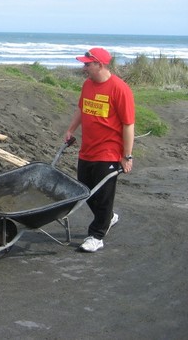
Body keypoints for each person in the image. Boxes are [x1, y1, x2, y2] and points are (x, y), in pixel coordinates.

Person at [64, 47, 135, 252]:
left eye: (87, 64)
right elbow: (82, 108)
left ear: (99, 65)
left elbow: (128, 124)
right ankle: (108, 217)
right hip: (88, 148)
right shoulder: (87, 85)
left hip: (109, 151)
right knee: (85, 190)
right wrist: (70, 129)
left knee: (103, 194)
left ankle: (96, 236)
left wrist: (126, 156)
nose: (84, 67)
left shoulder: (119, 89)